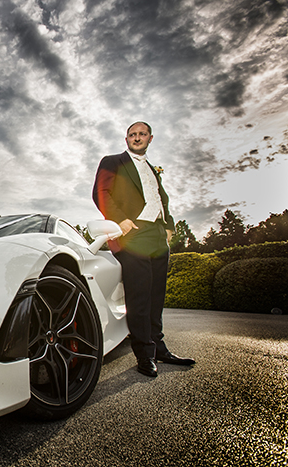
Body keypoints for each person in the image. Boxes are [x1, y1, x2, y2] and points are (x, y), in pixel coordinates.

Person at [93, 121, 195, 377]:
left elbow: (161, 199)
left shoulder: (152, 169)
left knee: (155, 296)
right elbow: (101, 191)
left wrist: (169, 226)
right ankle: (144, 355)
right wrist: (120, 221)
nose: (137, 138)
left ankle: (159, 348)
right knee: (139, 298)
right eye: (132, 134)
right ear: (126, 139)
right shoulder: (113, 161)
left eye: (142, 134)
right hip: (133, 234)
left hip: (158, 235)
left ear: (150, 138)